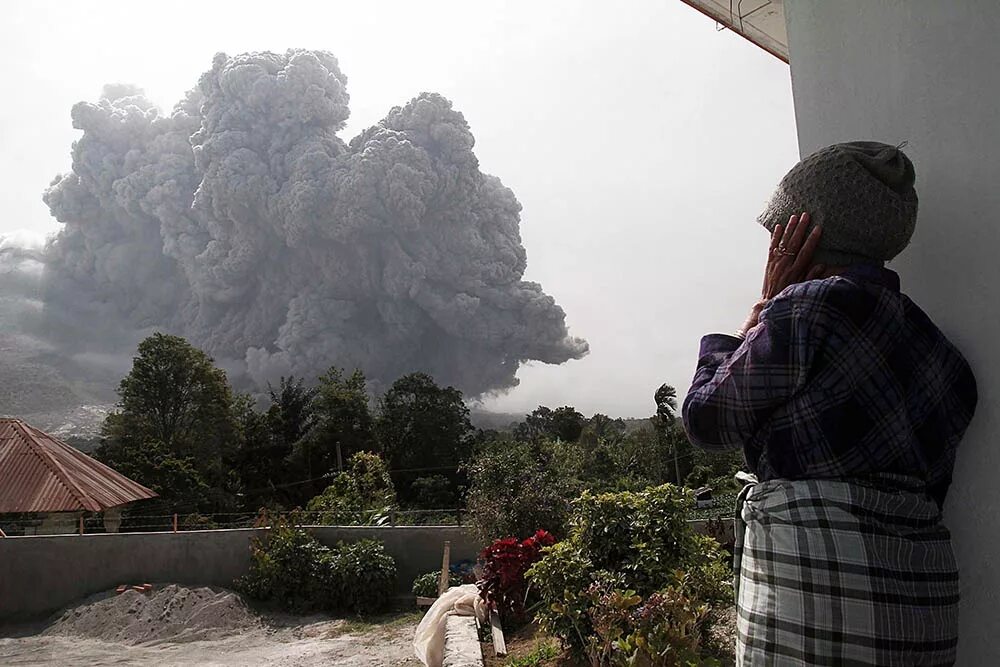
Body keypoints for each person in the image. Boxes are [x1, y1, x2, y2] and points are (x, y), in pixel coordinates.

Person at [681, 141, 978, 666]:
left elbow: (707, 419)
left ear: (801, 237)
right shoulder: (946, 358)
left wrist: (761, 312)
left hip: (817, 601)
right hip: (926, 609)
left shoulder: (805, 309)